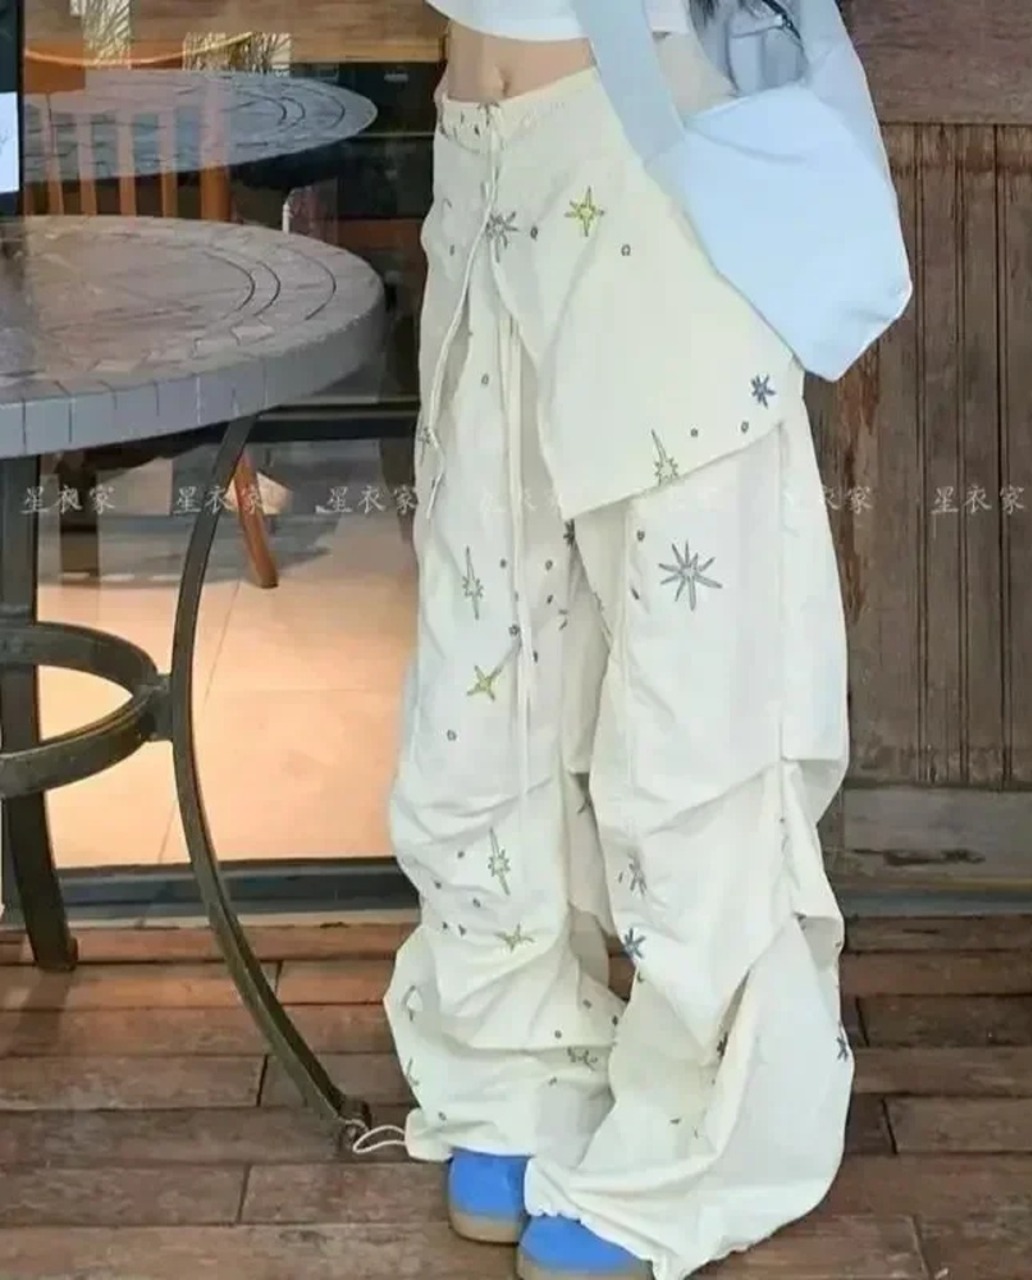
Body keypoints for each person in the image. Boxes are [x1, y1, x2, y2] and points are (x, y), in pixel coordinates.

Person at [385, 3, 857, 1277]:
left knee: (688, 691)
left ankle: (693, 1127)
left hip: (647, 156)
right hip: (479, 154)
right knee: (485, 663)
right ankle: (513, 1055)